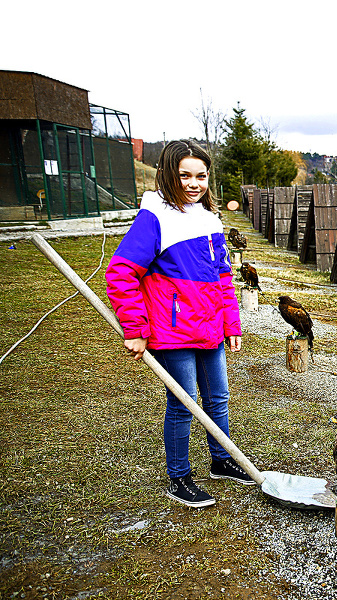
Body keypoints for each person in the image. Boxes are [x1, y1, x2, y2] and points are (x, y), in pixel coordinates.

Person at [106, 140, 253, 508]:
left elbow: (221, 275)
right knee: (184, 404)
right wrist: (136, 330)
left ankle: (221, 461)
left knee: (218, 398)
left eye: (201, 175)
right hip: (172, 332)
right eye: (184, 174)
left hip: (209, 328)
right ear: (167, 174)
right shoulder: (154, 217)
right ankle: (179, 477)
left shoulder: (208, 219)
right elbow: (121, 272)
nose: (193, 183)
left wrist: (231, 322)